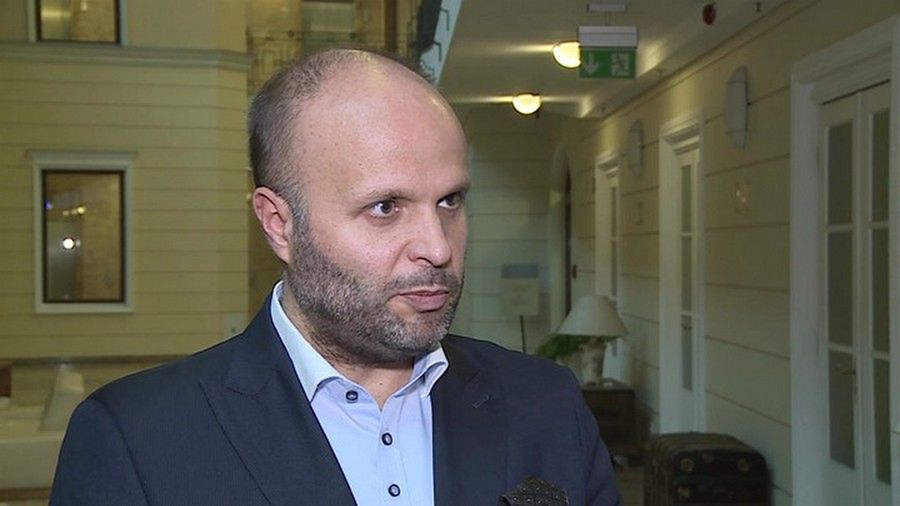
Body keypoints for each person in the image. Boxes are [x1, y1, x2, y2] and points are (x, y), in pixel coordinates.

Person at [50, 48, 621, 506]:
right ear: (279, 224)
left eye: (449, 201)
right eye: (385, 207)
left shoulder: (546, 404)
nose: (438, 247)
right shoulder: (136, 439)